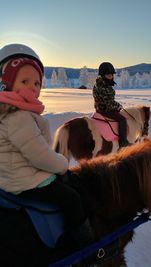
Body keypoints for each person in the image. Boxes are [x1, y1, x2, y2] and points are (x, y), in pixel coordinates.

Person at [0, 43, 95, 254]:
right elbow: (40, 156)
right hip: (26, 182)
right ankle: (89, 249)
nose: (32, 86)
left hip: (17, 175)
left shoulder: (14, 112)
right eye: (24, 81)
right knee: (72, 199)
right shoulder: (19, 118)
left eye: (36, 82)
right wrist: (62, 164)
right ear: (5, 84)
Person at [93, 62, 129, 147]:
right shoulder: (103, 86)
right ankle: (123, 143)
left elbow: (109, 100)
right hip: (105, 110)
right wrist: (118, 106)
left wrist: (116, 105)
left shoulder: (102, 84)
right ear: (103, 75)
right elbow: (108, 104)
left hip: (101, 108)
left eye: (112, 75)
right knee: (122, 119)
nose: (111, 76)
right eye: (108, 75)